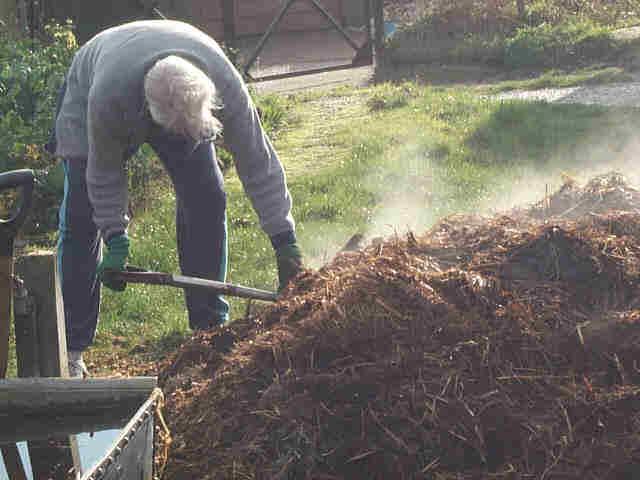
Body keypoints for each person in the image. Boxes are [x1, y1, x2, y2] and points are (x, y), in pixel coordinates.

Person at [48, 20, 303, 378]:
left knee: (207, 197)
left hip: (176, 82)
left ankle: (208, 330)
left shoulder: (223, 83)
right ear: (151, 113)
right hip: (95, 76)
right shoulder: (108, 96)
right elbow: (103, 174)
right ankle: (71, 350)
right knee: (80, 216)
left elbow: (258, 161)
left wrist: (284, 239)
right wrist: (115, 239)